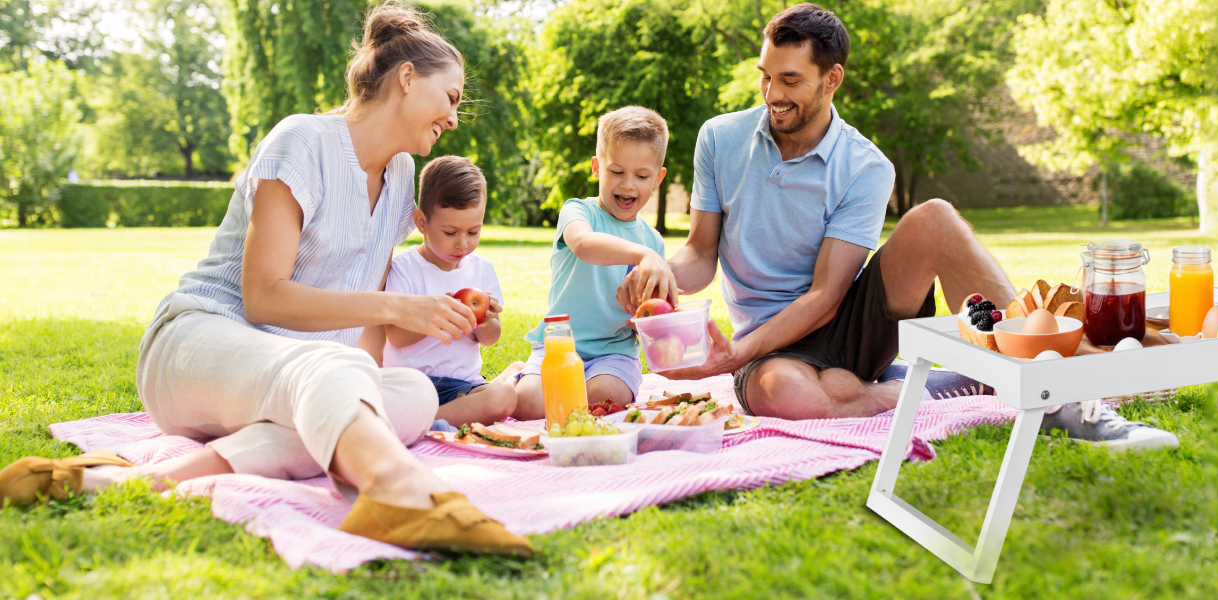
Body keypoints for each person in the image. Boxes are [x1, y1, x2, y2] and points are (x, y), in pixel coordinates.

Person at [0, 2, 535, 553]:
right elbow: (263, 297)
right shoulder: (302, 140)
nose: (453, 117)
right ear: (406, 79)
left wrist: (361, 382)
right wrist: (397, 310)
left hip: (292, 377)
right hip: (198, 343)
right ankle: (396, 491)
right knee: (334, 373)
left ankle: (117, 480)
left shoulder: (401, 177)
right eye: (450, 98)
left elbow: (364, 313)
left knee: (412, 395)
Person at [620, 3, 1176, 449]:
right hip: (771, 349)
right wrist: (658, 270)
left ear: (831, 78)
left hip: (847, 323)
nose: (772, 95)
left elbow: (827, 295)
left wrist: (729, 359)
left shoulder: (865, 166)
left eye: (790, 80)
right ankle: (942, 383)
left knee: (934, 217)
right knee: (785, 393)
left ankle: (1062, 398)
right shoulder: (721, 138)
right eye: (765, 77)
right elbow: (699, 254)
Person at [513, 106, 673, 417]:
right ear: (596, 167)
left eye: (641, 176)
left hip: (613, 353)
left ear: (658, 178)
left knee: (603, 398)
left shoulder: (653, 241)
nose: (627, 185)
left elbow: (651, 310)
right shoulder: (578, 212)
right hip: (559, 345)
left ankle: (580, 389)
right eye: (616, 172)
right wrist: (642, 255)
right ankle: (519, 373)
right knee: (528, 405)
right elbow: (584, 245)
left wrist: (650, 324)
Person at [381, 155, 524, 427]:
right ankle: (424, 418)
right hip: (412, 384)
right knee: (389, 397)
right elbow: (396, 338)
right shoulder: (405, 268)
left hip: (462, 385)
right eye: (449, 232)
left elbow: (491, 339)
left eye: (473, 232)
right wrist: (432, 316)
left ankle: (418, 423)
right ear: (422, 222)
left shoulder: (481, 269)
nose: (462, 244)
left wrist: (485, 319)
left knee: (503, 397)